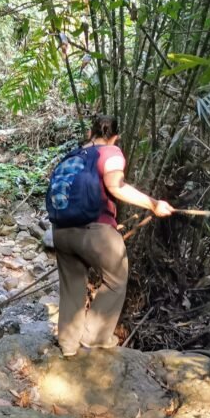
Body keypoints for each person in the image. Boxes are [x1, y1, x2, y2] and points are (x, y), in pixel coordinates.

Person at [53, 115, 173, 357]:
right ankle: (94, 338)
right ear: (115, 136)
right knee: (116, 279)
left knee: (72, 286)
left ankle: (68, 345)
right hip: (94, 230)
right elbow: (116, 186)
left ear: (90, 133)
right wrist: (153, 204)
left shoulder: (73, 155)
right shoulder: (110, 152)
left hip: (61, 231)